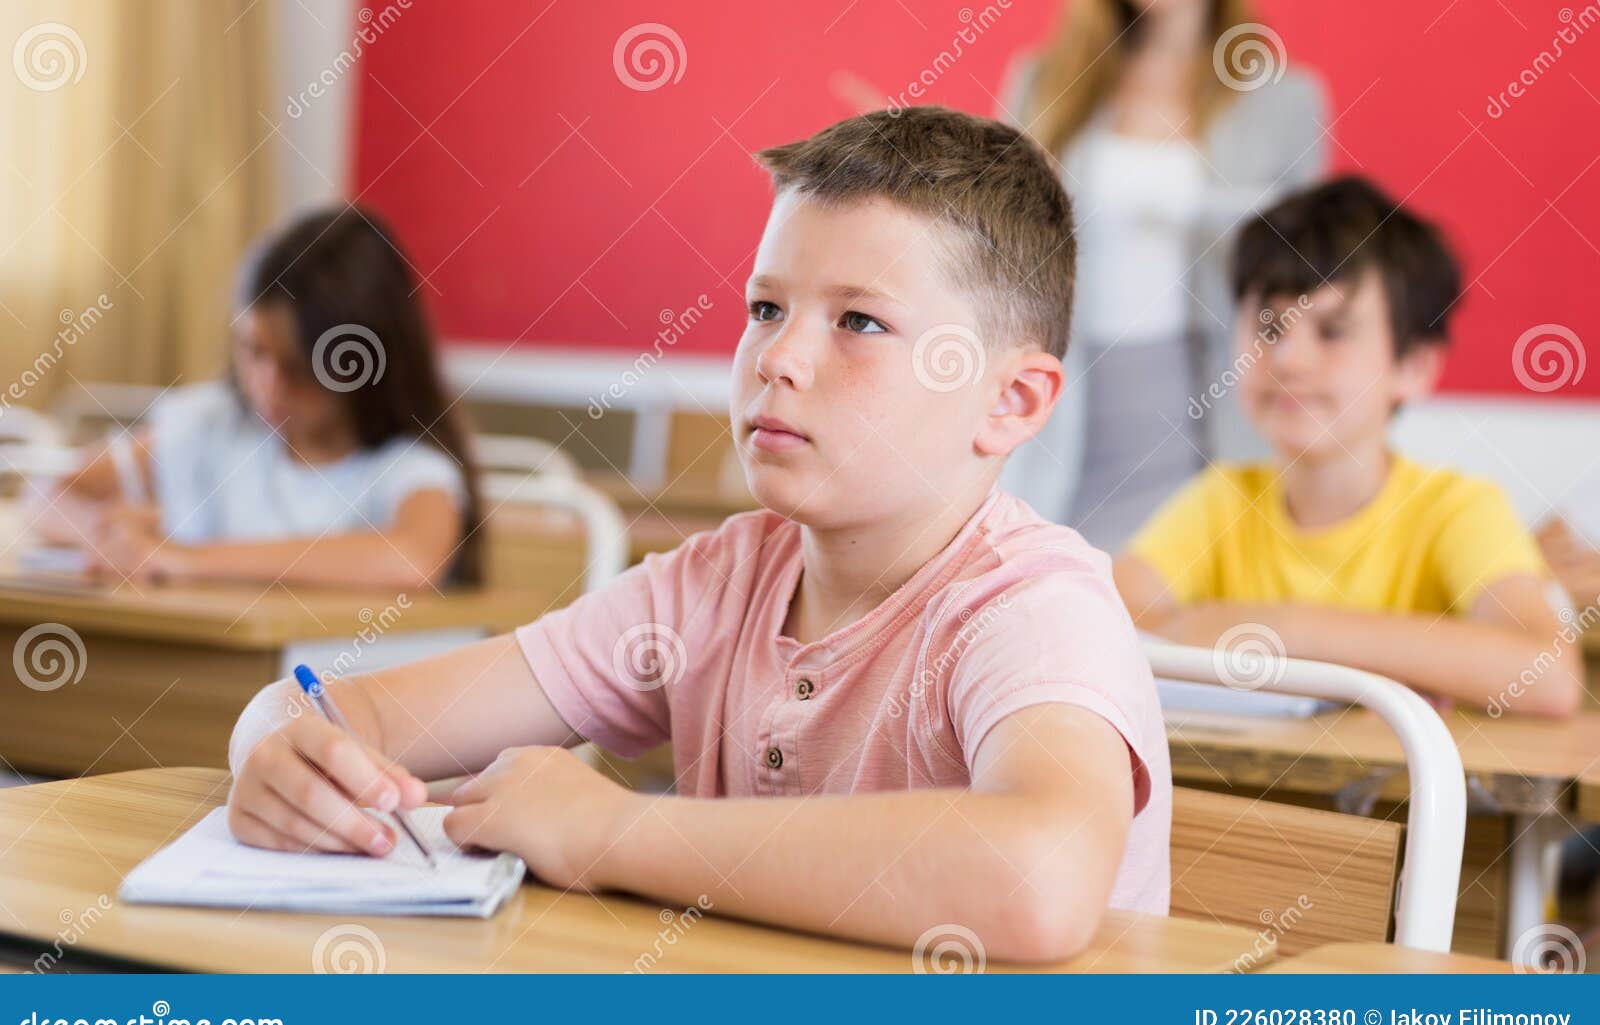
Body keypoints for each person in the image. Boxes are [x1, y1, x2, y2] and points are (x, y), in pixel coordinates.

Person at [224, 107, 1171, 963]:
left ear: (1010, 399)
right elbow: (347, 713)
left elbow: (1039, 880)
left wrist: (614, 834)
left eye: (859, 322)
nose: (779, 358)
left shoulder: (1032, 609)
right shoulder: (710, 586)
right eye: (766, 308)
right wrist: (275, 744)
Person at [1115, 176, 1581, 717]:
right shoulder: (1219, 501)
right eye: (1269, 328)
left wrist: (1287, 631)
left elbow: (1548, 676)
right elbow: (1107, 623)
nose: (1289, 360)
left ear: (1413, 368)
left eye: (1332, 331)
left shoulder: (1457, 509)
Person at [1000, 0, 1326, 549]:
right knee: (1057, 563)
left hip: (1205, 390)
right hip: (1071, 385)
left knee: (1187, 566)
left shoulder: (1284, 99)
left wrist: (1203, 212)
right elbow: (1005, 238)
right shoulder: (1045, 79)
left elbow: (1306, 263)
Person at [33, 206, 482, 590]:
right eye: (253, 351)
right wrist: (108, 535)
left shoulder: (409, 469)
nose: (267, 386)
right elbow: (50, 496)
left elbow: (411, 561)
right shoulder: (212, 425)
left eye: (296, 366)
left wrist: (185, 559)